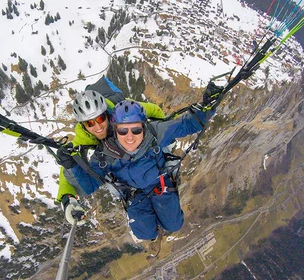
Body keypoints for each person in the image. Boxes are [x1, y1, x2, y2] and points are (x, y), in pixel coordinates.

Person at [57, 96, 216, 255]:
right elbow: (89, 185)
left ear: (143, 126)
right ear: (116, 128)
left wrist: (209, 105)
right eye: (123, 131)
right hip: (133, 193)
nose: (130, 136)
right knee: (145, 234)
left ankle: (161, 225)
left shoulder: (154, 132)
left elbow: (189, 124)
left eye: (136, 130)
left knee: (174, 225)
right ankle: (154, 235)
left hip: (158, 183)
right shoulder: (103, 155)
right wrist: (71, 166)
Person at [56, 86, 166, 225]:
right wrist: (67, 197)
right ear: (83, 125)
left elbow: (154, 110)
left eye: (101, 118)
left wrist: (160, 139)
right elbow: (68, 164)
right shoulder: (82, 139)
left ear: (107, 114)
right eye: (90, 123)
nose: (98, 127)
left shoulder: (123, 111)